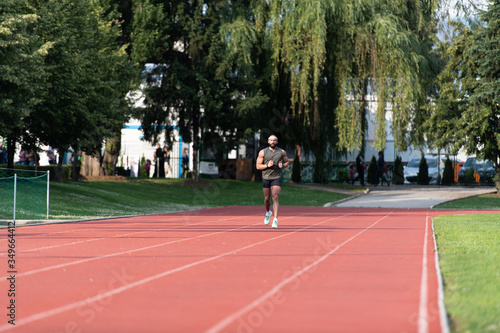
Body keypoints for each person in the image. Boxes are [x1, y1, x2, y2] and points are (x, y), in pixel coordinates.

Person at [256, 135, 289, 229]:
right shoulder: (263, 152)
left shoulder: (281, 152)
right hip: (266, 177)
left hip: (276, 177)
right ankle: (268, 212)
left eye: (274, 140)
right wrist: (267, 165)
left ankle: (275, 219)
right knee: (267, 199)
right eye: (271, 140)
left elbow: (287, 162)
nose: (273, 142)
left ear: (277, 142)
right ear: (268, 141)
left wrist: (282, 165)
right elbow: (258, 166)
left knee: (275, 197)